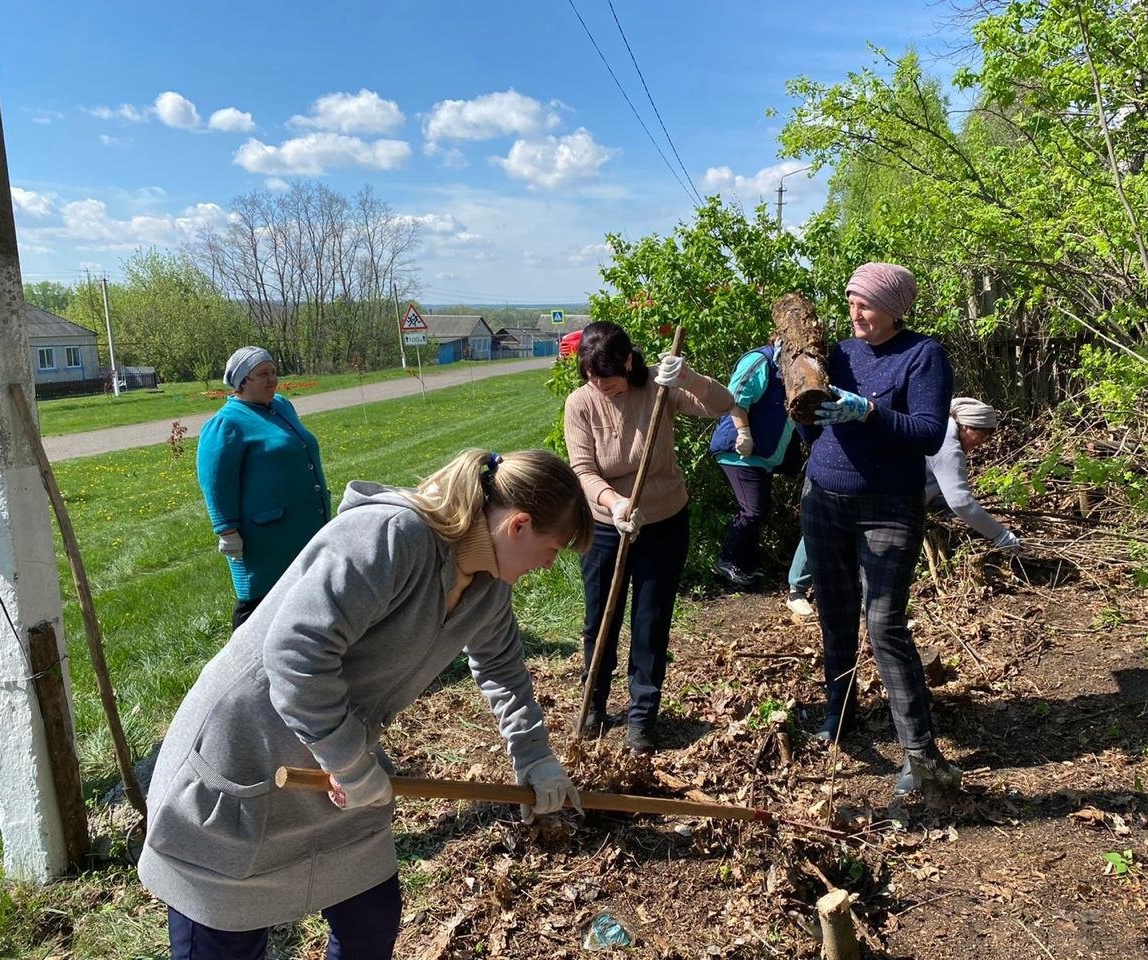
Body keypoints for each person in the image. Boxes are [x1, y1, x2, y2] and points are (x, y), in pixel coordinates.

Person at [139, 448, 591, 960]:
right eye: (553, 549)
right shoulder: (393, 537)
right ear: (519, 526)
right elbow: (295, 656)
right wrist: (351, 761)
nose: (549, 564)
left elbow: (504, 672)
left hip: (334, 767)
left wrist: (536, 758)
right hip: (246, 754)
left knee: (369, 921)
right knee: (226, 937)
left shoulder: (486, 591)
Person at [799, 262, 962, 798]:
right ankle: (837, 716)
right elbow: (808, 417)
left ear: (895, 308)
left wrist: (865, 411)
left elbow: (928, 433)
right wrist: (803, 401)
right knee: (836, 616)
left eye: (866, 303)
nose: (855, 312)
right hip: (824, 499)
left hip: (888, 507)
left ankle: (919, 751)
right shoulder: (840, 353)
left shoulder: (924, 356)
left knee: (885, 623)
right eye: (851, 301)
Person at [564, 321, 733, 754]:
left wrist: (687, 376)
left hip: (664, 522)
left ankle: (642, 718)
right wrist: (615, 503)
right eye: (592, 379)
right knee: (600, 619)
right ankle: (595, 705)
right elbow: (583, 470)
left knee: (650, 622)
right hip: (605, 526)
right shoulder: (581, 404)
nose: (602, 387)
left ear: (628, 360)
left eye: (610, 378)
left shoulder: (660, 387)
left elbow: (723, 405)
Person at [197, 346, 330, 629]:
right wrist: (227, 530)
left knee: (300, 600)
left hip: (301, 528)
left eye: (273, 372)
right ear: (242, 382)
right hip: (265, 539)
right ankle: (235, 668)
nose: (272, 380)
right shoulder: (226, 424)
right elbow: (215, 481)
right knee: (257, 609)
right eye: (262, 374)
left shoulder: (281, 406)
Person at [708, 340, 816, 621]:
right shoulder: (761, 361)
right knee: (753, 508)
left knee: (759, 508)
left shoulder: (797, 370)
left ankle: (744, 564)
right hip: (739, 452)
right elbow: (735, 398)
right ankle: (729, 561)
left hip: (763, 457)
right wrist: (743, 432)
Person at [925, 397, 1022, 552]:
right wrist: (1000, 535)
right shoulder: (948, 446)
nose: (981, 443)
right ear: (966, 426)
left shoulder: (938, 428)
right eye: (982, 435)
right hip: (890, 509)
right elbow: (961, 502)